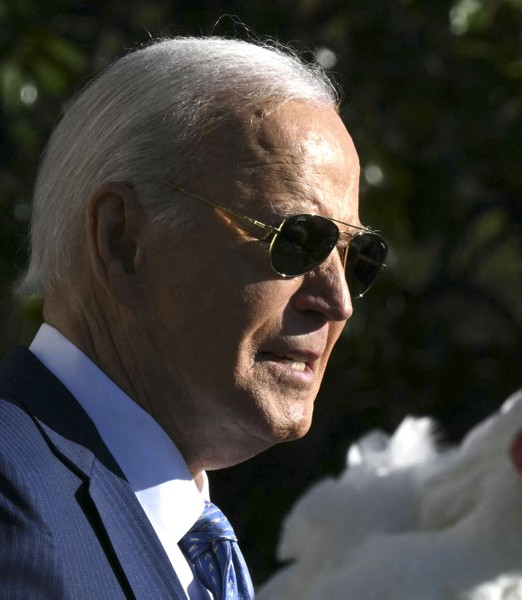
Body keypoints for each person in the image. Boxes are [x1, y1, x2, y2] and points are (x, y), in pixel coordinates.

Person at [0, 36, 388, 599]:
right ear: (122, 241)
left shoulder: (181, 537)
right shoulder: (15, 513)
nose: (338, 301)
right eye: (295, 241)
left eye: (356, 256)